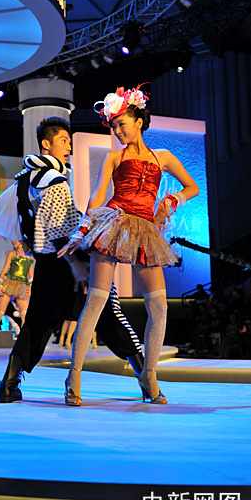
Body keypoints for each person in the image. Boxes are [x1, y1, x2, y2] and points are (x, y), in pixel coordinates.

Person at [58, 85, 199, 405]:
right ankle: (74, 376)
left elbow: (192, 187)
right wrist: (83, 228)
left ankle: (149, 375)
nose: (117, 131)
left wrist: (172, 199)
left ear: (138, 121)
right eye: (113, 126)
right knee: (96, 301)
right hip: (114, 223)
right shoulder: (114, 157)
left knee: (159, 307)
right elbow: (98, 195)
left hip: (145, 231)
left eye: (121, 123)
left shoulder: (162, 157)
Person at [0, 116, 146, 403]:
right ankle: (147, 380)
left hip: (46, 263)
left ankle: (8, 385)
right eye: (63, 141)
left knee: (37, 323)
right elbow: (62, 226)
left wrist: (35, 246)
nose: (68, 147)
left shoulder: (24, 180)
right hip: (68, 260)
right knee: (108, 315)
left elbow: (15, 219)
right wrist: (77, 264)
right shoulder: (55, 180)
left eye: (69, 142)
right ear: (46, 144)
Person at [0, 240, 34, 356]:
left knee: (25, 316)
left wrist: (30, 287)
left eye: (15, 239)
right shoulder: (12, 254)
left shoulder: (30, 257)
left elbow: (30, 275)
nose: (13, 242)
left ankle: (25, 345)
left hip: (22, 285)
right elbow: (4, 270)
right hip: (9, 283)